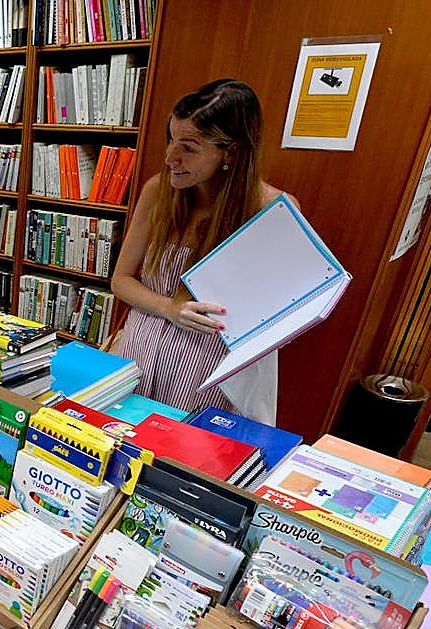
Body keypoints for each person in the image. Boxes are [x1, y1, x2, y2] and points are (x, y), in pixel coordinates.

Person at [111, 79, 297, 423]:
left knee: (179, 460)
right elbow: (120, 280)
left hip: (206, 369)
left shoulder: (273, 209)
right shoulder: (158, 192)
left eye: (189, 147)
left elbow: (285, 314)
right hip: (138, 353)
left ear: (230, 152)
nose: (170, 158)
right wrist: (169, 308)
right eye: (170, 139)